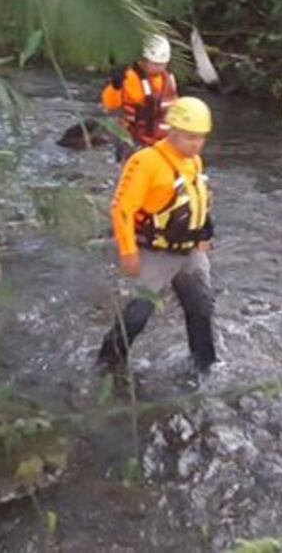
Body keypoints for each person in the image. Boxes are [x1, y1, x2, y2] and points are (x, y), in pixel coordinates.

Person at [97, 96, 217, 376]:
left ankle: (205, 364)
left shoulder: (194, 161)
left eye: (201, 138)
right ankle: (108, 362)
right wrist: (127, 252)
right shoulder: (146, 162)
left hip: (189, 251)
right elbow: (122, 209)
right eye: (190, 138)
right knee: (139, 314)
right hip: (155, 252)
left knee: (201, 307)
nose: (196, 144)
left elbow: (197, 200)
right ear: (171, 131)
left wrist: (204, 233)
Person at [100, 34, 179, 161]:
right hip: (133, 139)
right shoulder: (130, 77)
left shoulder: (168, 79)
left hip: (161, 142)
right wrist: (116, 87)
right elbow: (109, 105)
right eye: (155, 64)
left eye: (162, 64)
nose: (159, 68)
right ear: (143, 60)